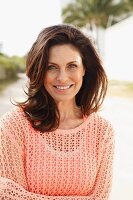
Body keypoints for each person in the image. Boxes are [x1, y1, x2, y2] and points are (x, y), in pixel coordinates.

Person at [0, 24, 114, 200]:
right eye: (51, 67)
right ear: (39, 71)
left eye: (72, 66)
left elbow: (100, 197)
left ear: (84, 69)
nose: (62, 77)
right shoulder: (14, 125)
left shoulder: (102, 131)